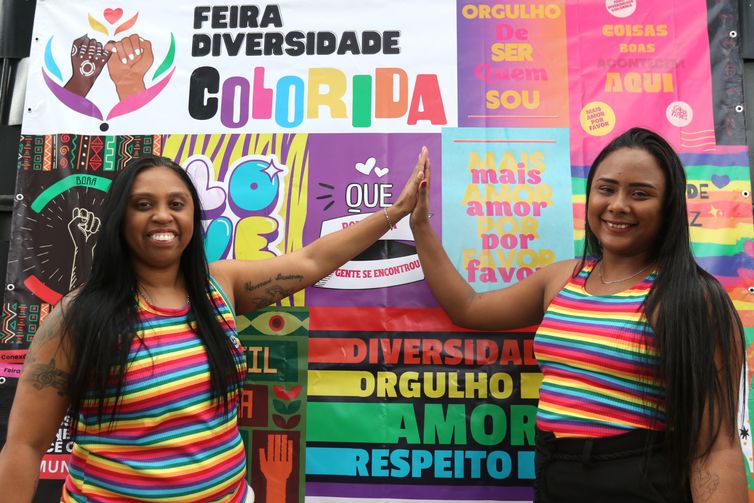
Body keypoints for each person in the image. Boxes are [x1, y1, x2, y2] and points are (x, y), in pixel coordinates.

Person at [0, 149, 428, 502]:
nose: (163, 216)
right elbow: (24, 446)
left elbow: (311, 261)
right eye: (143, 204)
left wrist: (397, 212)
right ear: (119, 218)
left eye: (177, 204)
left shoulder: (218, 287)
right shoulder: (77, 316)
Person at [409, 128, 746, 502]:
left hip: (639, 483)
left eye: (640, 193)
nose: (618, 204)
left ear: (669, 205)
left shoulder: (693, 298)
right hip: (556, 475)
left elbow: (716, 447)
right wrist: (420, 226)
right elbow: (468, 307)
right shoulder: (562, 279)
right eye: (606, 189)